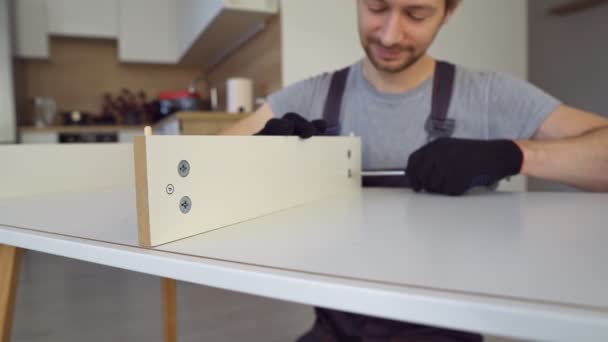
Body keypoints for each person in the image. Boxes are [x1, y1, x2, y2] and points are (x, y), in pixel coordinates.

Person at [221, 0, 608, 339]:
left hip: (443, 330)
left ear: (449, 11)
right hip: (334, 329)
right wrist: (259, 161)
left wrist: (515, 154)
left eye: (416, 14)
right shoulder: (311, 95)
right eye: (376, 8)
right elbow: (189, 168)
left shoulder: (491, 95)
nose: (390, 35)